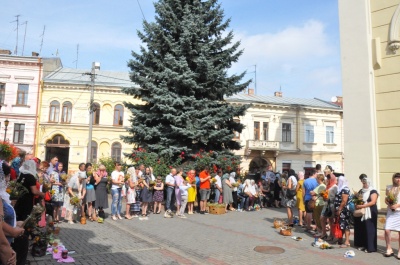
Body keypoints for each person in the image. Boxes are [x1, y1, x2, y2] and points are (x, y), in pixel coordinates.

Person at [13, 160, 45, 265]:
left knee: (19, 221)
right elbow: (34, 191)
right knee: (25, 223)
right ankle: (22, 250)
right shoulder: (30, 176)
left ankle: (17, 247)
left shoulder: (21, 174)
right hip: (26, 203)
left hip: (19, 202)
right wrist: (42, 194)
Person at [353, 174, 378, 253]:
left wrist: (362, 205)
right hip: (362, 211)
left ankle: (371, 247)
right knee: (362, 229)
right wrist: (356, 203)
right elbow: (357, 199)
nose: (364, 184)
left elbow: (373, 202)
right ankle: (363, 245)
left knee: (369, 229)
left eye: (365, 183)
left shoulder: (373, 191)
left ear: (369, 183)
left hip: (370, 212)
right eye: (363, 183)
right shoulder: (361, 191)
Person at [384, 172, 400, 258]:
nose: (398, 179)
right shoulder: (389, 187)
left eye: (399, 178)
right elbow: (386, 199)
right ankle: (389, 248)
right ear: (393, 179)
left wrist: (397, 205)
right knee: (387, 229)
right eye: (396, 178)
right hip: (391, 212)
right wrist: (389, 204)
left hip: (399, 212)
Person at [334, 176, 351, 248]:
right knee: (341, 225)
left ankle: (347, 241)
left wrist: (339, 209)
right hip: (340, 210)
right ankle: (340, 239)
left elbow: (344, 201)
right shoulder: (340, 188)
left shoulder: (345, 189)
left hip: (344, 210)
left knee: (345, 225)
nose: (337, 182)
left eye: (338, 181)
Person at [321, 172, 337, 240]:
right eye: (327, 178)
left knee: (331, 220)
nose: (327, 180)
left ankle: (331, 234)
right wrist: (324, 196)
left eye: (329, 178)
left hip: (331, 205)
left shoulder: (335, 187)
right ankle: (324, 233)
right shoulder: (328, 186)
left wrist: (329, 198)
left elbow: (336, 196)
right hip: (326, 204)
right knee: (322, 218)